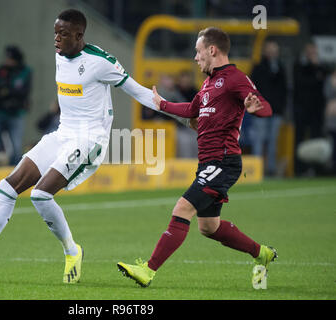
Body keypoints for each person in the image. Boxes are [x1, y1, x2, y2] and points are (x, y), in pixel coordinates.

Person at [0, 9, 188, 284]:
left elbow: (138, 91)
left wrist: (183, 115)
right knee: (7, 186)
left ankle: (72, 250)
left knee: (40, 195)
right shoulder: (59, 54)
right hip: (62, 133)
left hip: (89, 140)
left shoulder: (101, 62)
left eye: (62, 34)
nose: (56, 39)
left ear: (79, 36)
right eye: (55, 33)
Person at [117, 27, 277, 289]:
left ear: (212, 50)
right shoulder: (208, 83)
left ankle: (148, 270)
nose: (195, 58)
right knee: (209, 227)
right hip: (209, 163)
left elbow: (264, 106)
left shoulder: (236, 78)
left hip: (223, 162)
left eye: (198, 51)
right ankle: (262, 253)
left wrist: (255, 108)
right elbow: (192, 110)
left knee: (182, 208)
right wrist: (162, 104)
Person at [0, 45, 32, 165]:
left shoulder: (25, 71)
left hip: (16, 112)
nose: (7, 61)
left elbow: (22, 92)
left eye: (10, 59)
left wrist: (5, 92)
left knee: (16, 145)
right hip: (0, 111)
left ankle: (14, 170)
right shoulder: (1, 71)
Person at [250, 40, 287, 176]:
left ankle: (270, 170)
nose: (273, 53)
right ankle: (256, 170)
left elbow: (284, 90)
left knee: (273, 141)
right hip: (260, 110)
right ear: (265, 51)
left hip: (276, 111)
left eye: (275, 50)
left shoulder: (280, 67)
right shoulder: (258, 67)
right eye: (270, 50)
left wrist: (281, 109)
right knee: (258, 140)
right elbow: (251, 88)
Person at [293, 42, 327, 175]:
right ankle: (299, 170)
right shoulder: (299, 66)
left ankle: (316, 169)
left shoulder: (321, 66)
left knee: (316, 139)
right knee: (299, 139)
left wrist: (316, 68)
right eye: (310, 51)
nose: (312, 53)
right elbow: (302, 83)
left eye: (314, 51)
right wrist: (315, 74)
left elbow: (323, 79)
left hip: (316, 110)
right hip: (301, 108)